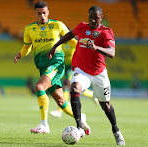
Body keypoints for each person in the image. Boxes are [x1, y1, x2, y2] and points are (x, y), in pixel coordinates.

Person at [47, 5, 125, 145]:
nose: (93, 20)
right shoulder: (82, 27)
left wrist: (96, 47)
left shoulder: (106, 32)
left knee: (105, 105)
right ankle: (79, 127)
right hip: (82, 70)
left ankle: (116, 130)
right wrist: (55, 46)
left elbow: (112, 53)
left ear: (101, 18)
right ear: (88, 17)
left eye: (96, 18)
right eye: (91, 17)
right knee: (74, 88)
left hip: (99, 73)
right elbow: (70, 34)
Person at [14, 1, 90, 136]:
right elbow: (27, 47)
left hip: (56, 62)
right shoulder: (30, 29)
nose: (42, 16)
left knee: (39, 87)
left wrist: (83, 49)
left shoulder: (58, 25)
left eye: (44, 13)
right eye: (39, 13)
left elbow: (72, 41)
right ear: (35, 14)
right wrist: (20, 54)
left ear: (48, 12)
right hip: (43, 66)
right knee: (61, 102)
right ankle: (80, 118)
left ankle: (44, 124)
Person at [50, 41, 99, 118]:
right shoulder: (60, 44)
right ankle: (91, 94)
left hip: (72, 66)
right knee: (72, 87)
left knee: (66, 85)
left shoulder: (72, 43)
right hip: (63, 66)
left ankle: (59, 111)